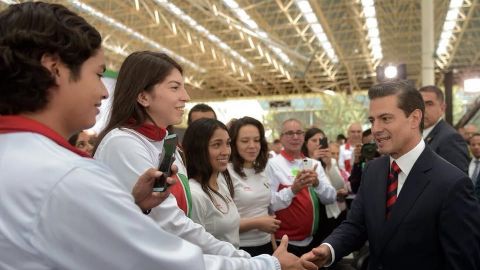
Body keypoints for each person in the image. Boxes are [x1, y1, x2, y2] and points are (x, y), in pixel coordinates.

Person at [0, 2, 318, 270]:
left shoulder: (23, 156)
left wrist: (133, 205)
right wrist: (268, 264)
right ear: (53, 68)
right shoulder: (70, 172)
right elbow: (164, 259)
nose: (101, 90)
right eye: (98, 74)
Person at [303, 80, 480, 270]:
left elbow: (462, 263)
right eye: (372, 120)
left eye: (385, 118)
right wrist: (329, 249)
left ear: (414, 118)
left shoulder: (452, 183)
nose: (376, 129)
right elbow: (356, 225)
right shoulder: (373, 171)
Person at [266, 119, 337, 256]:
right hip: (285, 242)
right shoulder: (272, 164)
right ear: (281, 138)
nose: (295, 137)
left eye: (299, 133)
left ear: (304, 137)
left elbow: (331, 197)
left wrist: (317, 183)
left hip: (313, 241)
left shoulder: (313, 163)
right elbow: (269, 204)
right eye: (290, 133)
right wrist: (293, 189)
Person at [183, 118, 242, 247]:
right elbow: (196, 248)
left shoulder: (221, 184)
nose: (226, 151)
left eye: (228, 143)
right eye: (216, 144)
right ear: (198, 149)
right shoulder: (195, 194)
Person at [228, 116, 281, 256]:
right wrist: (257, 223)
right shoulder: (226, 173)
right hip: (240, 249)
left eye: (256, 140)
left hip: (266, 246)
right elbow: (222, 225)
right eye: (245, 141)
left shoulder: (262, 170)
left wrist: (274, 248)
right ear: (234, 144)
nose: (252, 146)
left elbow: (266, 211)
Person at [301, 128, 348, 247]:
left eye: (321, 140)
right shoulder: (302, 161)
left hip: (330, 211)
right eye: (314, 140)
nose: (318, 143)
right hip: (311, 212)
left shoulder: (330, 160)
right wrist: (314, 160)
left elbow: (339, 185)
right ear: (306, 143)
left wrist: (329, 165)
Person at [419, 85, 469, 173]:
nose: (423, 109)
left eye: (429, 104)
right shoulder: (418, 135)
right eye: (420, 104)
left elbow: (459, 181)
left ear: (442, 108)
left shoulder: (450, 138)